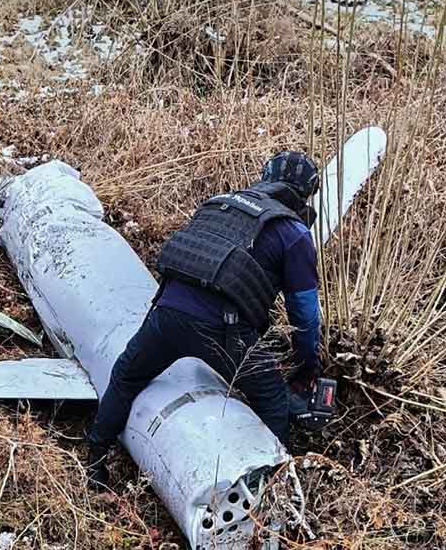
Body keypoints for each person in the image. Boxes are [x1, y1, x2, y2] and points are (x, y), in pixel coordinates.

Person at [86, 151, 323, 487]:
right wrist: (307, 367)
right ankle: (267, 492)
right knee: (272, 399)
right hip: (224, 331)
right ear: (306, 193)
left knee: (126, 375)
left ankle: (94, 463)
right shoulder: (294, 233)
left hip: (166, 314)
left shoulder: (218, 204)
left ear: (265, 176)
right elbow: (306, 316)